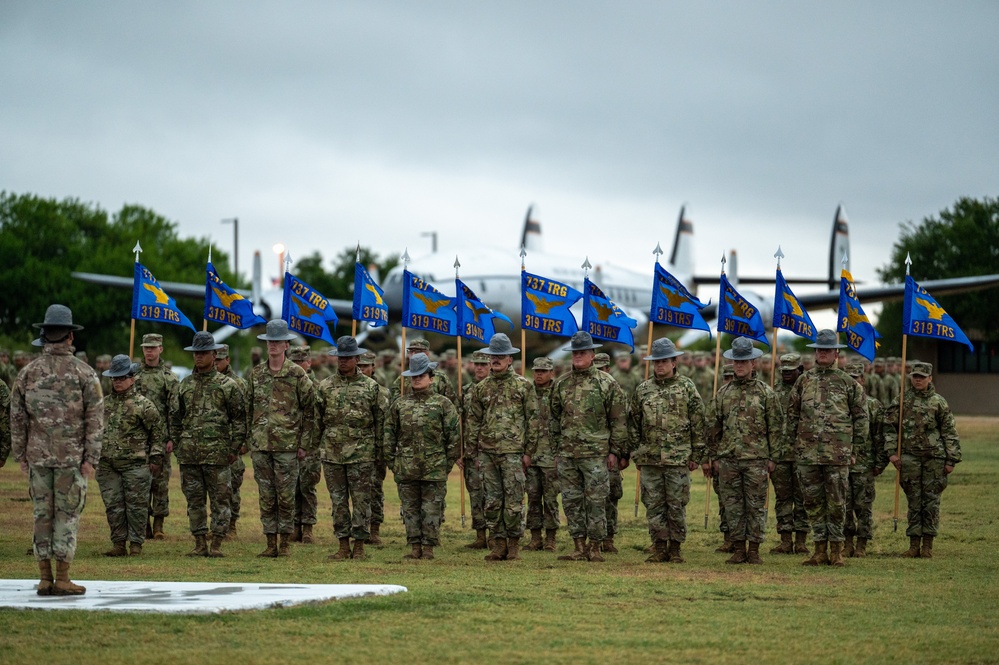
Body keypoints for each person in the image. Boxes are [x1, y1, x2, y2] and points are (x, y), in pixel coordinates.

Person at [12, 304, 104, 595]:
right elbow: (95, 418)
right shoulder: (85, 373)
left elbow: (16, 417)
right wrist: (91, 458)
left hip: (38, 458)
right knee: (67, 516)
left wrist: (21, 455)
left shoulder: (27, 373)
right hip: (72, 460)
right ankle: (62, 578)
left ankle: (44, 578)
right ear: (70, 338)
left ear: (43, 336)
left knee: (42, 515)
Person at [785, 329, 868, 567]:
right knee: (812, 502)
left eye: (827, 350)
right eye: (819, 350)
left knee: (837, 503)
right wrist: (793, 446)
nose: (822, 353)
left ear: (836, 353)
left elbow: (861, 418)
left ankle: (837, 551)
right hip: (807, 454)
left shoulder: (848, 383)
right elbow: (792, 416)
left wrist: (855, 451)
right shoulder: (804, 381)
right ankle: (819, 549)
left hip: (837, 455)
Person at [549, 331, 629, 562]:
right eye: (575, 352)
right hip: (567, 454)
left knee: (596, 501)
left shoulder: (607, 383)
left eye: (583, 352)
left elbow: (618, 420)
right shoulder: (562, 383)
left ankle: (595, 547)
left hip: (596, 455)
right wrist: (556, 449)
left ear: (592, 355)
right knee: (572, 501)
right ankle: (578, 546)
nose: (578, 356)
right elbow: (554, 419)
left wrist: (616, 451)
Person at [629, 338, 706, 563]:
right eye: (656, 362)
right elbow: (633, 422)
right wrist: (636, 451)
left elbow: (698, 421)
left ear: (674, 362)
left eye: (664, 361)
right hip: (650, 458)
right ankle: (659, 546)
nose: (660, 365)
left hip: (678, 458)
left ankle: (675, 549)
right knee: (653, 504)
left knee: (676, 504)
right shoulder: (643, 389)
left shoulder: (687, 387)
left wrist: (697, 455)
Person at [706, 337, 782, 564]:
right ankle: (739, 548)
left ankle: (754, 550)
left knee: (756, 506)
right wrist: (714, 456)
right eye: (736, 362)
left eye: (744, 361)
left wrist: (773, 457)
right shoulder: (723, 393)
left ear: (754, 363)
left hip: (756, 459)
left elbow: (776, 427)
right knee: (733, 506)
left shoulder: (766, 393)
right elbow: (713, 428)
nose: (739, 366)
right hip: (729, 459)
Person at [171, 332, 246, 557]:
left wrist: (234, 449)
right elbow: (175, 419)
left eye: (203, 353)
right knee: (194, 502)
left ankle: (217, 544)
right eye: (196, 353)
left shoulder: (228, 386)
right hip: (190, 456)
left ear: (214, 355)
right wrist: (178, 446)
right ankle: (199, 543)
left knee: (221, 501)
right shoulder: (185, 385)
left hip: (218, 456)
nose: (199, 357)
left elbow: (240, 420)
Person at [466, 333, 538, 562]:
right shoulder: (481, 388)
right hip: (487, 453)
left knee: (514, 500)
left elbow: (533, 420)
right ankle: (498, 545)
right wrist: (474, 452)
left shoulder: (524, 386)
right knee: (492, 501)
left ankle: (514, 545)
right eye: (492, 356)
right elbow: (473, 421)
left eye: (500, 356)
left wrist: (528, 452)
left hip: (513, 453)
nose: (495, 360)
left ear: (510, 359)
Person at [248, 320, 315, 558]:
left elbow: (310, 410)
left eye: (277, 341)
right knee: (266, 496)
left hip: (287, 446)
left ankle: (285, 543)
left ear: (286, 345)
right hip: (261, 445)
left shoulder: (297, 374)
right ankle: (270, 542)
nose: (273, 346)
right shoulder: (256, 374)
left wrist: (304, 444)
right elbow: (249, 408)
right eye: (270, 341)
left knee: (286, 496)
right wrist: (250, 438)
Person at [384, 353, 460, 560]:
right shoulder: (400, 404)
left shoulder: (443, 404)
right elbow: (389, 434)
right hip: (406, 467)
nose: (417, 379)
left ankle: (428, 548)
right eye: (413, 376)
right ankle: (414, 546)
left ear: (431, 377)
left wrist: (446, 464)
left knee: (432, 509)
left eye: (422, 375)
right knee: (410, 510)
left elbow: (454, 436)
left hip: (434, 467)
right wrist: (393, 462)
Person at [315, 336, 384, 561]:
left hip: (362, 454)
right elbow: (317, 420)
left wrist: (380, 452)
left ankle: (360, 546)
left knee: (362, 500)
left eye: (348, 357)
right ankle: (343, 545)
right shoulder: (325, 386)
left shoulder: (371, 387)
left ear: (357, 358)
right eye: (340, 357)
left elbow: (381, 421)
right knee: (338, 502)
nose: (343, 361)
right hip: (333, 454)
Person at [883, 362, 961, 559]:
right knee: (914, 501)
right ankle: (913, 545)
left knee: (931, 502)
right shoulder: (902, 400)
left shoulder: (938, 402)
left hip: (934, 459)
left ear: (930, 379)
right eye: (915, 376)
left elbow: (949, 432)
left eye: (922, 376)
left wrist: (951, 459)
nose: (918, 379)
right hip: (909, 458)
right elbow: (890, 427)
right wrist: (892, 452)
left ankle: (927, 545)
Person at [97, 354, 165, 557]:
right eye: (114, 378)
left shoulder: (144, 405)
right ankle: (118, 543)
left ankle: (136, 544)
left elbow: (157, 434)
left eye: (122, 377)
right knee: (113, 506)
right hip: (107, 465)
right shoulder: (103, 404)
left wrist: (155, 458)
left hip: (135, 465)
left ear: (132, 378)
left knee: (136, 507)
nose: (118, 381)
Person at [134, 333, 179, 540]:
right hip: (137, 439)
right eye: (146, 347)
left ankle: (159, 524)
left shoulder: (169, 378)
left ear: (161, 349)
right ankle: (143, 525)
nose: (149, 351)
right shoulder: (133, 375)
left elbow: (174, 411)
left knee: (160, 483)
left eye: (153, 347)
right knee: (139, 482)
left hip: (160, 439)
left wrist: (171, 438)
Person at [844, 362, 888, 557]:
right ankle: (847, 543)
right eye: (850, 378)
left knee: (863, 506)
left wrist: (880, 463)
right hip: (842, 464)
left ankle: (862, 543)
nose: (854, 382)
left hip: (864, 465)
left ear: (863, 379)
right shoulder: (839, 405)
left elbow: (881, 436)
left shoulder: (873, 405)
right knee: (843, 505)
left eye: (857, 378)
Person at [769, 353, 810, 555]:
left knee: (803, 498)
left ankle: (801, 540)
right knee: (783, 498)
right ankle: (785, 540)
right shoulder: (773, 393)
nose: (786, 374)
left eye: (790, 371)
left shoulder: (808, 392)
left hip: (803, 454)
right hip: (780, 454)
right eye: (783, 371)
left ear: (800, 370)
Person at [523, 357, 561, 552]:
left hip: (550, 455)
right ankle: (535, 537)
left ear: (551, 373)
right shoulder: (527, 393)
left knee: (551, 498)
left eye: (543, 371)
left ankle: (551, 538)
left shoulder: (558, 393)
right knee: (533, 497)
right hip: (531, 455)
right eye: (536, 370)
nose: (539, 374)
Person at [214, 344, 249, 538]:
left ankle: (232, 525)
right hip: (213, 444)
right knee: (216, 490)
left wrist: (245, 443)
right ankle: (217, 525)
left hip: (233, 443)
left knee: (233, 487)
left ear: (228, 360)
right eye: (215, 359)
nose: (217, 363)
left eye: (220, 359)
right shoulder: (208, 381)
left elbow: (247, 416)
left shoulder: (240, 384)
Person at [358, 350, 391, 545]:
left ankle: (374, 528)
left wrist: (382, 452)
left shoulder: (382, 392)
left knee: (375, 490)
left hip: (375, 450)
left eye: (365, 366)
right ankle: (358, 527)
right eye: (359, 366)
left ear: (373, 368)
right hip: (354, 449)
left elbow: (385, 426)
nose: (361, 369)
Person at [288, 345, 321, 543]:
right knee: (291, 486)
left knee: (307, 486)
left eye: (302, 361)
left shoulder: (319, 386)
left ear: (309, 363)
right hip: (289, 441)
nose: (299, 365)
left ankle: (307, 527)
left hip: (311, 444)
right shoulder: (285, 386)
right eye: (295, 362)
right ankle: (294, 526)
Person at [460, 351, 492, 549]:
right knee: (475, 493)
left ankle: (498, 534)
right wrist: (461, 450)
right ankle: (480, 535)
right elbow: (461, 422)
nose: (479, 368)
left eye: (483, 364)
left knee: (495, 494)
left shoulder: (495, 389)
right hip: (472, 450)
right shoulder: (466, 390)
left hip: (492, 449)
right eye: (476, 364)